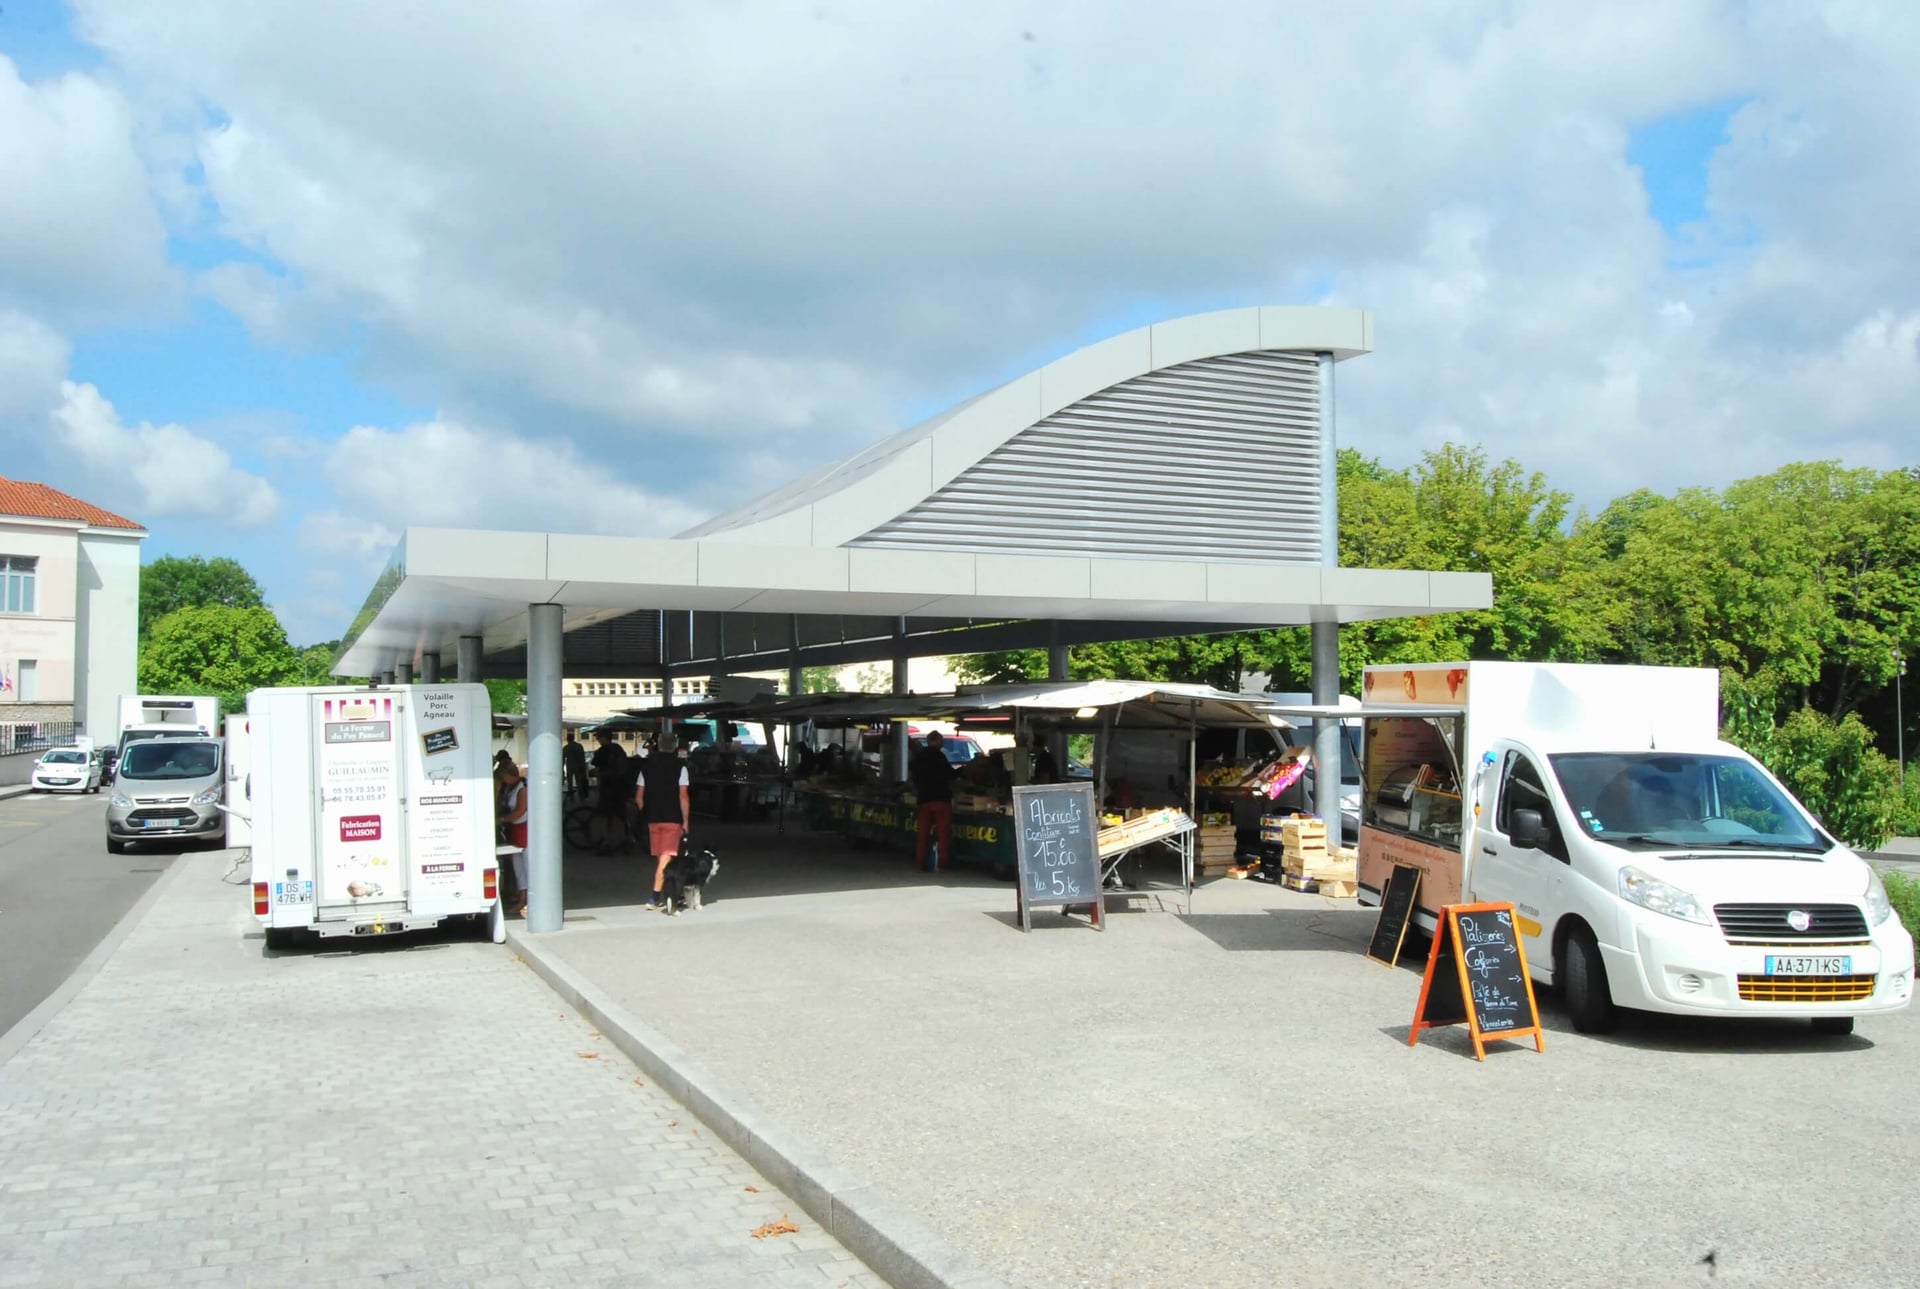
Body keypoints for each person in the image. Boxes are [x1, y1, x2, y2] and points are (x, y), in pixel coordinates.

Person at [636, 733, 692, 913]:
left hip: (653, 819)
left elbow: (638, 797)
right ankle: (655, 896)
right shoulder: (680, 768)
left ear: (659, 745)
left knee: (661, 857)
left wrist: (647, 811)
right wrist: (685, 820)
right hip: (672, 818)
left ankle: (663, 894)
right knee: (666, 858)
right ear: (675, 745)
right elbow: (683, 795)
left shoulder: (646, 767)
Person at [910, 731, 957, 874]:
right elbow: (950, 775)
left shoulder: (919, 757)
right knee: (942, 833)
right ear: (935, 741)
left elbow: (913, 775)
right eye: (941, 740)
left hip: (924, 799)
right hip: (940, 799)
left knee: (923, 833)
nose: (942, 743)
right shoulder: (939, 756)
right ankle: (943, 862)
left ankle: (920, 861)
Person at [497, 761, 529, 916]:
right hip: (514, 829)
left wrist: (503, 819)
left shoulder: (523, 790)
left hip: (523, 829)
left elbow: (520, 811)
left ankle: (525, 899)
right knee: (517, 866)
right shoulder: (508, 788)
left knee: (525, 865)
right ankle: (521, 896)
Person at [591, 729, 631, 855]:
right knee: (620, 816)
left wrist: (595, 773)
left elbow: (596, 768)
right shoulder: (618, 749)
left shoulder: (602, 751)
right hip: (620, 788)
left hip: (607, 787)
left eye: (598, 738)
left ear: (603, 738)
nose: (598, 740)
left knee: (605, 817)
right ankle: (625, 841)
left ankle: (607, 843)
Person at [562, 730, 588, 802]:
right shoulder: (579, 746)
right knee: (579, 782)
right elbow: (582, 757)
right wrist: (583, 767)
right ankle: (581, 798)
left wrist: (562, 770)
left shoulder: (566, 748)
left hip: (570, 766)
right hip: (578, 766)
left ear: (568, 739)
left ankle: (571, 799)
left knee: (569, 783)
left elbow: (563, 759)